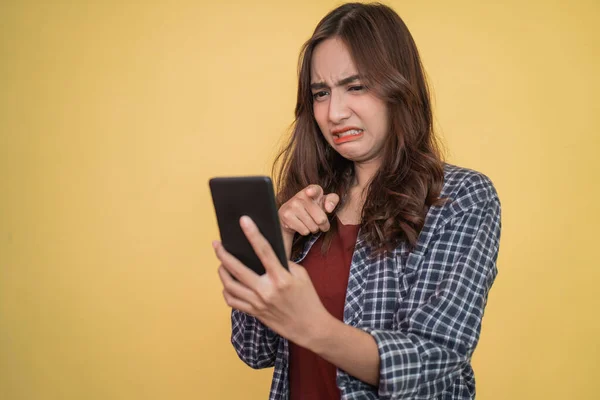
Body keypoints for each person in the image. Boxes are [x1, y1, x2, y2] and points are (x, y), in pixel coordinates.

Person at [212, 2, 501, 399]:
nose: (334, 113)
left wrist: (313, 326)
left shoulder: (459, 198)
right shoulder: (304, 203)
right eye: (321, 93)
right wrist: (276, 237)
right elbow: (254, 350)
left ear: (398, 86)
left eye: (356, 86)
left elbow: (437, 357)